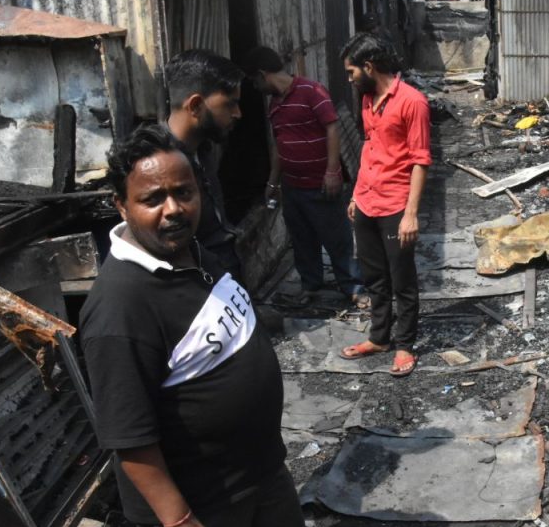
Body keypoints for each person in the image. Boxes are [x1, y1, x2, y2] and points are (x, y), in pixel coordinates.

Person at [81, 124, 307, 527]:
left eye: (183, 192)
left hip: (261, 478)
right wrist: (179, 521)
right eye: (152, 199)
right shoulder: (120, 307)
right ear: (122, 205)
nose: (174, 209)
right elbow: (129, 435)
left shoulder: (193, 252)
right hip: (204, 506)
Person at [241, 45, 367, 308]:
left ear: (263, 74)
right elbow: (279, 143)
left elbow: (332, 128)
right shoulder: (275, 103)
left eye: (254, 80)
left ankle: (353, 287)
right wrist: (273, 182)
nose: (254, 87)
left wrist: (332, 171)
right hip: (292, 186)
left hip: (320, 184)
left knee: (337, 237)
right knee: (302, 239)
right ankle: (311, 285)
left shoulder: (311, 91)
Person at [338, 33, 431, 377]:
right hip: (367, 202)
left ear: (369, 66)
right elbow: (370, 146)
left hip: (395, 205)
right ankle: (379, 337)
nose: (349, 79)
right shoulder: (366, 100)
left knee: (402, 279)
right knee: (374, 276)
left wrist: (410, 214)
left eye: (351, 72)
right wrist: (356, 194)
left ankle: (404, 344)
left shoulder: (412, 102)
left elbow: (420, 160)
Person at [165, 49, 244, 277]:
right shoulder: (162, 166)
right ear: (196, 106)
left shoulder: (204, 148)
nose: (238, 113)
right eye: (230, 104)